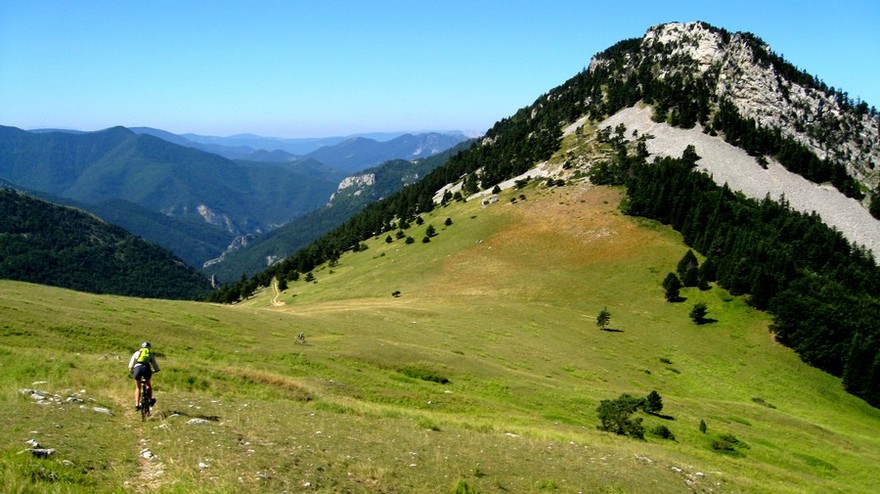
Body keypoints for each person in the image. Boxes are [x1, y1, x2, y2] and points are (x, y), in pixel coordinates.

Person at [128, 341, 160, 410]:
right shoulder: (150, 353)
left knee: (138, 387)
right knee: (148, 384)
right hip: (146, 369)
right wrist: (156, 370)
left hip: (137, 369)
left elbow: (131, 365)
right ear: (149, 348)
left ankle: (137, 404)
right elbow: (154, 364)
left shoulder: (137, 353)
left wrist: (131, 370)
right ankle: (149, 399)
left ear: (141, 347)